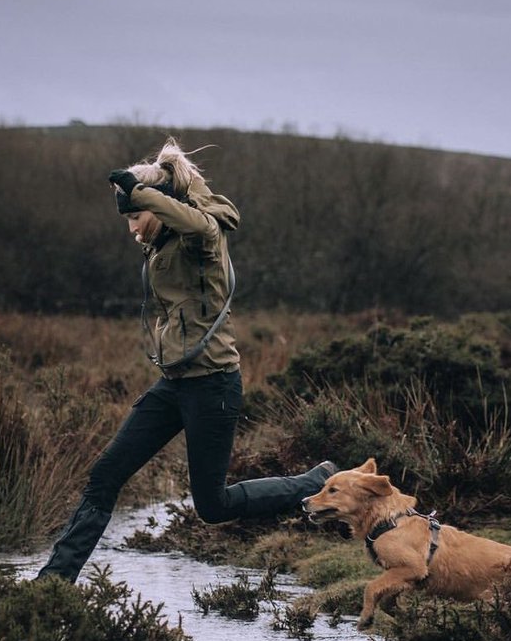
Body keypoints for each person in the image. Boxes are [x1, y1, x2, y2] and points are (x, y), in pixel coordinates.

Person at [38, 137, 335, 583]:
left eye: (135, 216)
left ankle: (314, 483)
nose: (131, 227)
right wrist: (141, 199)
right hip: (175, 384)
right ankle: (52, 584)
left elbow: (201, 224)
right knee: (105, 475)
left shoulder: (202, 240)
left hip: (212, 384)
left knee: (212, 507)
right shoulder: (164, 243)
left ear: (158, 205)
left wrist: (143, 193)